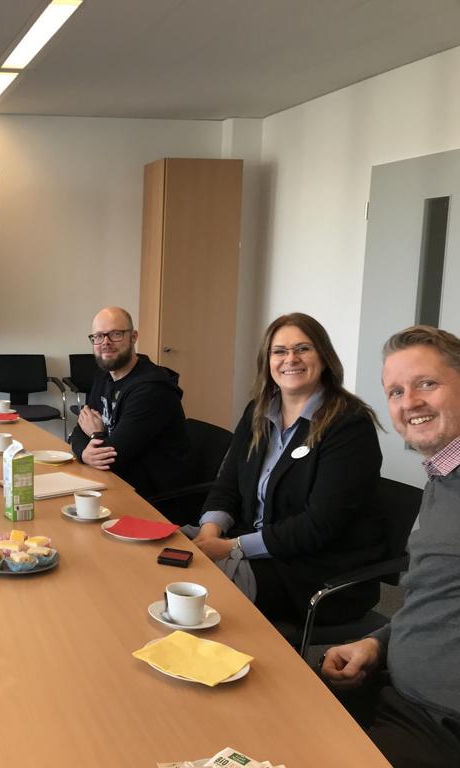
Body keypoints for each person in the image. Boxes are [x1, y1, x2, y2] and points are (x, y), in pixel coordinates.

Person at [321, 325, 460, 768]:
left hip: (437, 722)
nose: (409, 403)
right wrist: (377, 644)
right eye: (396, 391)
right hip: (391, 684)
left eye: (427, 384)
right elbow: (434, 596)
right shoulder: (444, 474)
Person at [187, 312, 384, 623]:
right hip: (257, 548)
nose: (290, 359)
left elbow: (320, 525)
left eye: (303, 348)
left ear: (323, 356)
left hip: (314, 570)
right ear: (268, 361)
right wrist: (209, 534)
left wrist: (231, 547)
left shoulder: (348, 424)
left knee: (194, 594)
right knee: (165, 556)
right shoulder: (259, 411)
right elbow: (227, 483)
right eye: (279, 351)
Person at [69, 306, 190, 497]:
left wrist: (95, 433)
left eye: (115, 334)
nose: (105, 342)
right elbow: (78, 430)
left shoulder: (152, 389)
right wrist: (85, 453)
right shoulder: (104, 376)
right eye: (98, 336)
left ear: (133, 337)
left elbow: (110, 458)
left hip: (150, 497)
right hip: (113, 482)